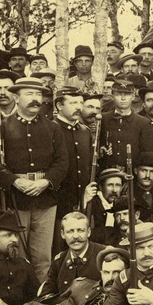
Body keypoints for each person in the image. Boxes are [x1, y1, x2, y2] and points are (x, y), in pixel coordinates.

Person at [0, 76, 68, 284]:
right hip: (15, 199)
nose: (35, 99)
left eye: (38, 94)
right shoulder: (1, 127)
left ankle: (42, 299)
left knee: (43, 257)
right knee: (15, 254)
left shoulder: (53, 128)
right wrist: (15, 181)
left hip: (45, 198)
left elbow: (62, 162)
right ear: (16, 97)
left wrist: (45, 182)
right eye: (29, 94)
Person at [51, 87, 93, 228]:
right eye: (73, 103)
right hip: (57, 202)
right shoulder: (50, 129)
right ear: (59, 106)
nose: (78, 107)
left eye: (80, 103)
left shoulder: (85, 131)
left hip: (83, 200)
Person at [99, 78, 153, 173]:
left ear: (133, 96)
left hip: (131, 175)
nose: (123, 98)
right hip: (106, 172)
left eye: (127, 94)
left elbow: (147, 155)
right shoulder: (103, 119)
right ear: (112, 96)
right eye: (118, 94)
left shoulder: (144, 123)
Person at [42, 211, 103, 295]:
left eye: (80, 230)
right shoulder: (59, 261)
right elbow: (46, 295)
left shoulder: (103, 255)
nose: (75, 236)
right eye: (70, 231)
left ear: (88, 232)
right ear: (63, 234)